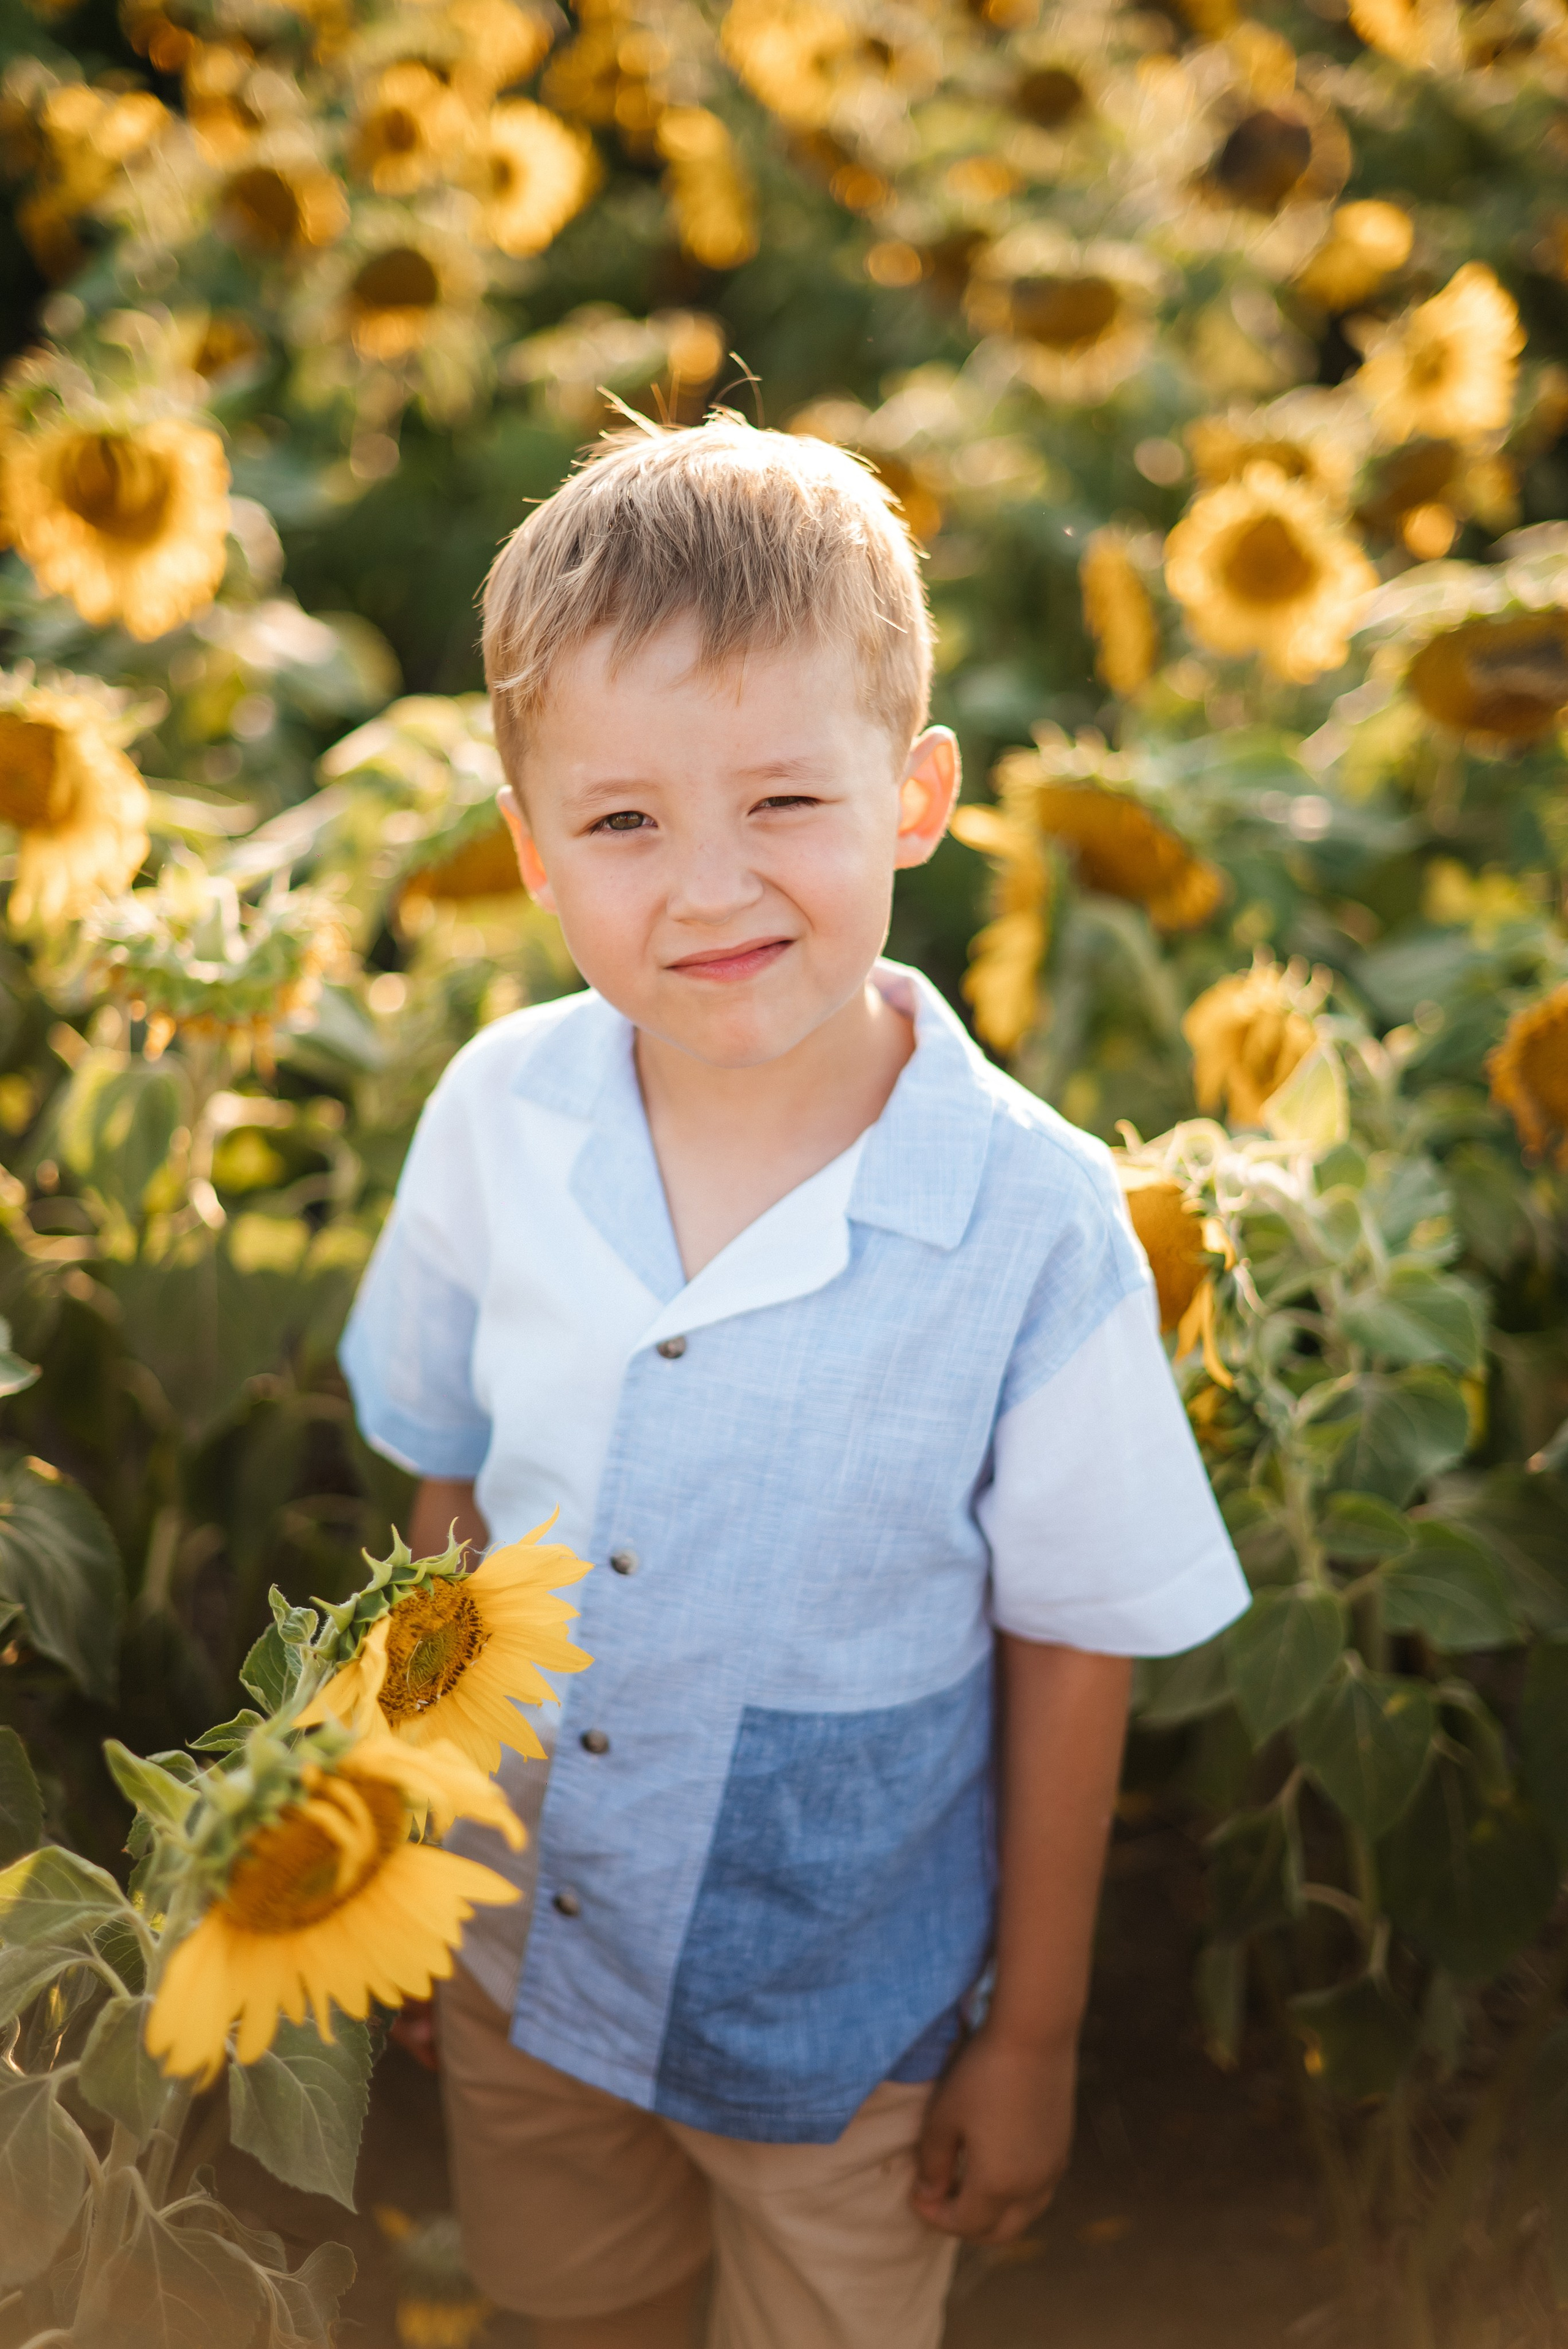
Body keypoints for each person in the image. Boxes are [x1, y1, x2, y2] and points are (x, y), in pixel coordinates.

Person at [339, 413, 1248, 2349]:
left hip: (852, 2023)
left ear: (914, 797)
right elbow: (446, 1500)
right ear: (527, 848)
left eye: (784, 803)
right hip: (522, 1949)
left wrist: (1043, 2031)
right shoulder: (500, 1113)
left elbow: (1075, 1639)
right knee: (564, 2307)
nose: (708, 888)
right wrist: (402, 1834)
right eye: (623, 822)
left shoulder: (1035, 1222)